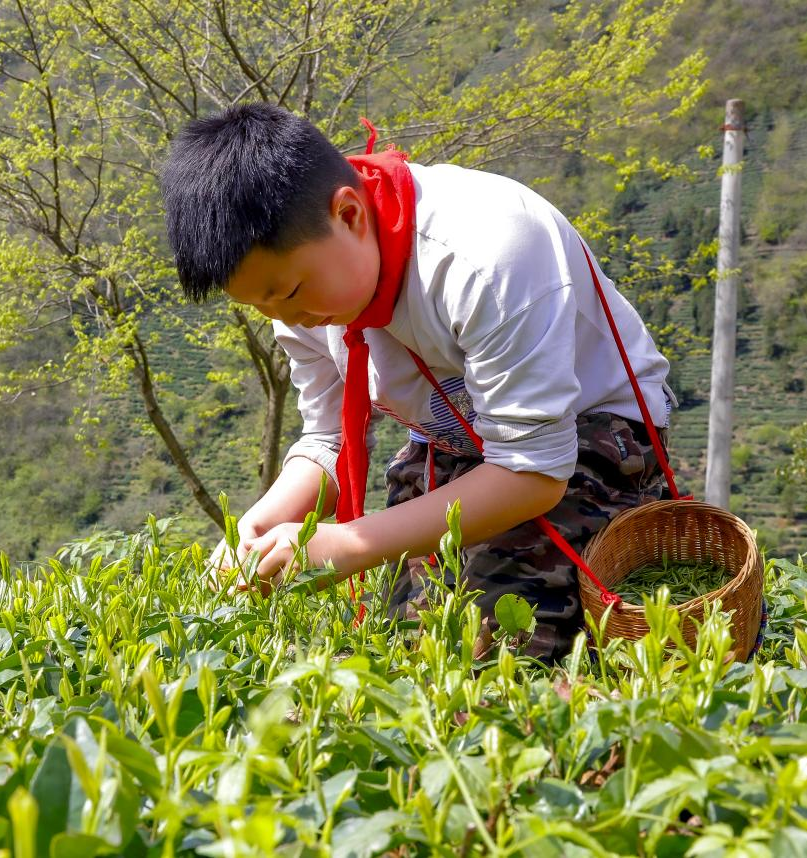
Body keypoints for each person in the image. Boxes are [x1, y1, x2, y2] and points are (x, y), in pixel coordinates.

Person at [159, 103, 679, 662]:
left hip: (585, 433)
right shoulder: (299, 299)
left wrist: (345, 545)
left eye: (286, 294)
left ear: (350, 214)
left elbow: (533, 472)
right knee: (414, 643)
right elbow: (328, 440)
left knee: (494, 648)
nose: (285, 317)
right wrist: (262, 522)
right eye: (257, 304)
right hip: (456, 440)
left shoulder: (487, 257)